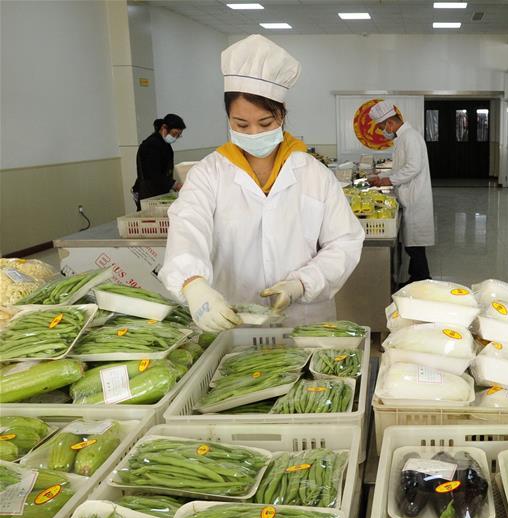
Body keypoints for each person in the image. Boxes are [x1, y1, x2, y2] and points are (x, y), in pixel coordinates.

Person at [158, 35, 365, 331]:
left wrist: (301, 284)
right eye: (241, 125)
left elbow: (344, 242)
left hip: (303, 324)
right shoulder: (209, 174)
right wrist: (193, 285)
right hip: (232, 323)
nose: (254, 133)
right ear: (228, 118)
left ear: (281, 115)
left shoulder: (313, 174)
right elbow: (187, 229)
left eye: (265, 123)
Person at [367, 102, 435, 284]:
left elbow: (412, 167)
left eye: (382, 127)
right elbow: (399, 168)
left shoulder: (410, 137)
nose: (383, 132)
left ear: (390, 123)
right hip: (409, 197)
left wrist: (387, 180)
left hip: (415, 199)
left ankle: (422, 280)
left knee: (415, 247)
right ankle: (417, 278)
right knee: (412, 246)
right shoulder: (404, 137)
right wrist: (379, 176)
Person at [132, 113, 186, 209]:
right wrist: (174, 184)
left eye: (178, 135)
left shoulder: (165, 145)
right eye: (174, 134)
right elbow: (152, 173)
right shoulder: (151, 145)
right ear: (164, 128)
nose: (175, 138)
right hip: (149, 192)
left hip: (159, 191)